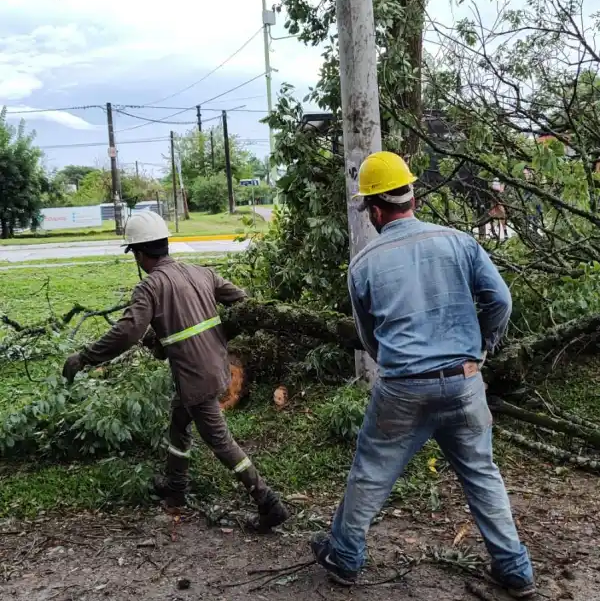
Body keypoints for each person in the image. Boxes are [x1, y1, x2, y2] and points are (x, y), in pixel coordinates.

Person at [311, 152, 536, 598]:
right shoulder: (460, 243)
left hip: (402, 390)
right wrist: (481, 351)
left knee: (371, 473)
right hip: (464, 382)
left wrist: (400, 365)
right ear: (411, 196)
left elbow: (369, 336)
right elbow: (501, 302)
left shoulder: (364, 263)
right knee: (482, 474)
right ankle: (515, 570)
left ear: (376, 209)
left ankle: (346, 557)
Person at [62, 209, 289, 531]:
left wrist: (84, 357)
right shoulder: (202, 273)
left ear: (140, 255)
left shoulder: (149, 288)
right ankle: (176, 488)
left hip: (196, 378)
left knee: (221, 442)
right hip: (214, 368)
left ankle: (268, 502)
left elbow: (127, 332)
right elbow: (243, 302)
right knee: (179, 423)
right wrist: (214, 335)